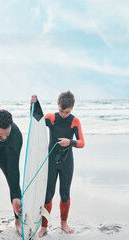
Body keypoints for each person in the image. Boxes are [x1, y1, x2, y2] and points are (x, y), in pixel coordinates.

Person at [30, 91, 85, 238]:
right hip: (51, 162)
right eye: (61, 110)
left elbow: (81, 143)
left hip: (67, 162)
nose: (63, 114)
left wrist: (70, 142)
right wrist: (33, 106)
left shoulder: (75, 121)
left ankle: (63, 223)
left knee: (65, 194)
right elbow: (36, 122)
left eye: (67, 112)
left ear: (72, 108)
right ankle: (44, 226)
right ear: (58, 106)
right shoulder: (51, 117)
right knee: (48, 195)